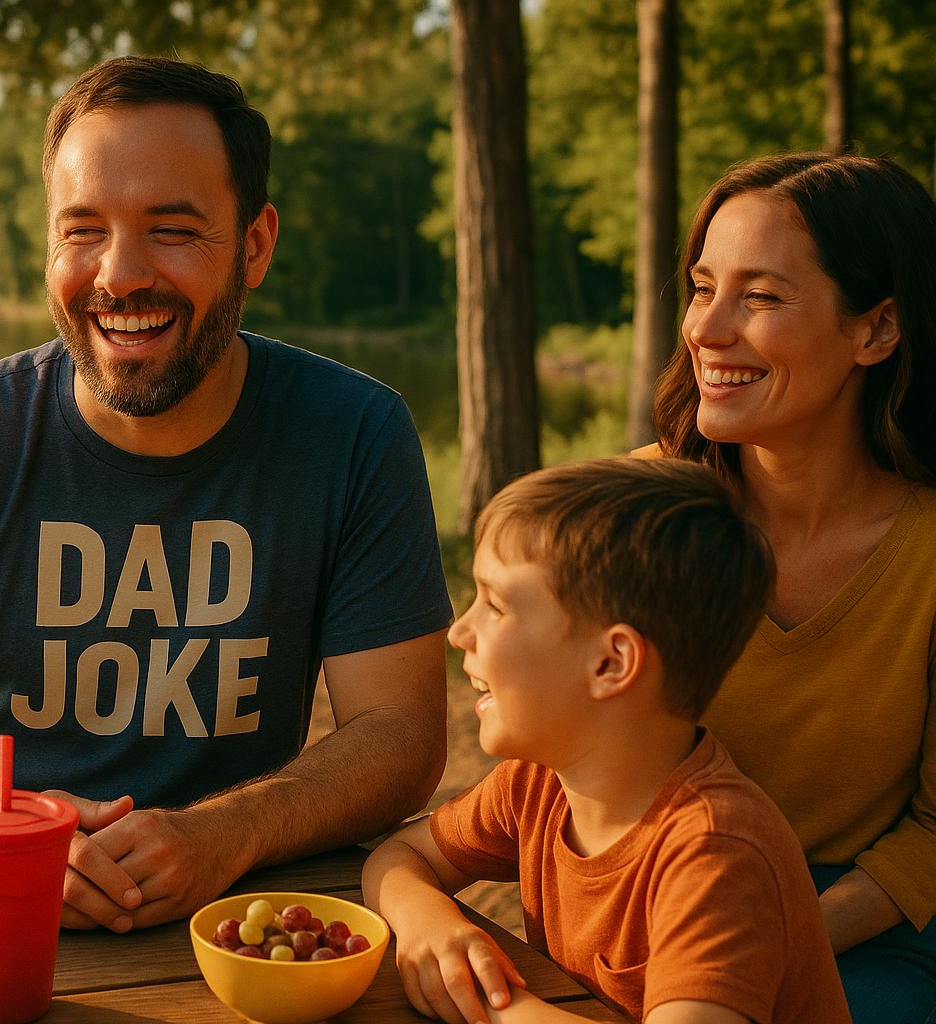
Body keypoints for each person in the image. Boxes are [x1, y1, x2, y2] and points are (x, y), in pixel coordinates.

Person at [0, 55, 451, 933]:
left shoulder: (353, 435)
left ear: (255, 245)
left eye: (173, 229)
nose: (118, 274)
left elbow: (401, 732)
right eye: (82, 230)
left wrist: (227, 832)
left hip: (239, 917)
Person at [363, 459, 849, 1024]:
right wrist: (434, 928)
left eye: (494, 605)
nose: (459, 631)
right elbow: (398, 857)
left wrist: (492, 1006)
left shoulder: (716, 854)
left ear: (610, 663)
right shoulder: (540, 781)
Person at [642, 152, 936, 1024]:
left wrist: (758, 939)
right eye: (702, 288)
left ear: (875, 330)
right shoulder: (624, 520)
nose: (708, 329)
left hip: (864, 937)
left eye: (762, 298)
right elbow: (534, 778)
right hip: (645, 917)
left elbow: (934, 836)